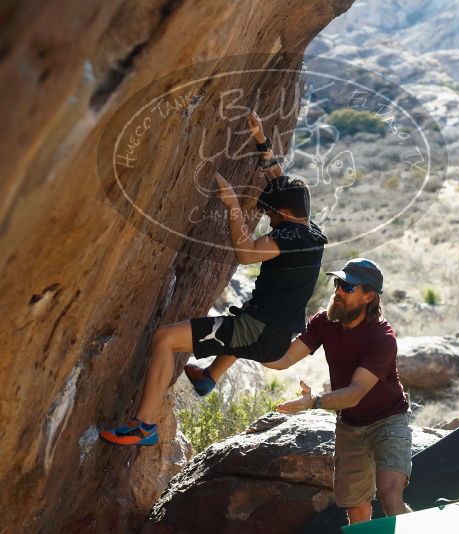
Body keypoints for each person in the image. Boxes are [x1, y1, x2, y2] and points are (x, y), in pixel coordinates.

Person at [99, 112, 328, 446]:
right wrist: (261, 140)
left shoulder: (290, 238)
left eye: (270, 214)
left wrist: (233, 206)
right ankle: (208, 378)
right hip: (272, 333)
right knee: (244, 316)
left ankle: (143, 426)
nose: (268, 217)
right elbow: (282, 182)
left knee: (165, 339)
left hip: (258, 333)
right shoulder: (312, 230)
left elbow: (247, 253)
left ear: (285, 215)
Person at [270, 258, 413, 525]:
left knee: (390, 496)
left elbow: (356, 392)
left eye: (347, 287)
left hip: (388, 422)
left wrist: (315, 402)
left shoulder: (382, 338)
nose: (337, 290)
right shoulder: (324, 322)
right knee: (356, 510)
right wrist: (240, 346)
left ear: (368, 296)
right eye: (338, 283)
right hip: (350, 426)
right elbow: (284, 359)